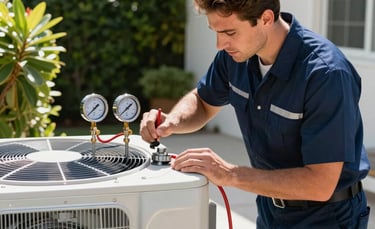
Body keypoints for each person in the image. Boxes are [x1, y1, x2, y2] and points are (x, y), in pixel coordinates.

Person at [139, 0, 371, 228]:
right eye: (216, 32)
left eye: (230, 32)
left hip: (328, 218)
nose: (220, 44)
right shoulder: (235, 56)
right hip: (270, 210)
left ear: (266, 19)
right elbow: (203, 101)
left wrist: (229, 174)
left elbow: (320, 184)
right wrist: (172, 121)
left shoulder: (326, 74)